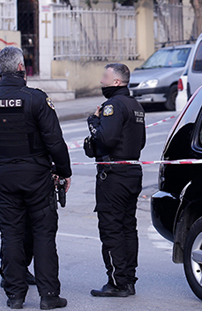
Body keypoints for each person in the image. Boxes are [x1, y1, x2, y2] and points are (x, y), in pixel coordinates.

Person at [0, 46, 71, 310]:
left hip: (3, 176)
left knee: (11, 234)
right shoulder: (35, 99)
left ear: (0, 69)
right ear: (20, 68)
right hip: (36, 175)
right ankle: (49, 295)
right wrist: (64, 171)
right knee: (43, 234)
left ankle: (15, 295)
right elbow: (55, 141)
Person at [84, 63, 146, 298]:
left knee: (111, 228)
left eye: (105, 77)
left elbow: (105, 139)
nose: (101, 81)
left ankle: (117, 282)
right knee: (128, 227)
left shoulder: (113, 106)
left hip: (113, 175)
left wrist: (93, 122)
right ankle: (128, 280)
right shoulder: (135, 105)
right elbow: (141, 142)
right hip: (132, 172)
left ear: (117, 82)